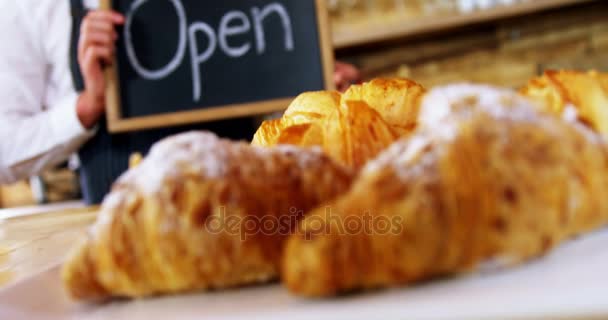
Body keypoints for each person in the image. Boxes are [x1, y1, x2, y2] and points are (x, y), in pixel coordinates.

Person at [0, 0, 360, 201]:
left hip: (245, 212)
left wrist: (314, 93)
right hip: (125, 227)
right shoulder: (29, 8)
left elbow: (260, 82)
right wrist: (86, 107)